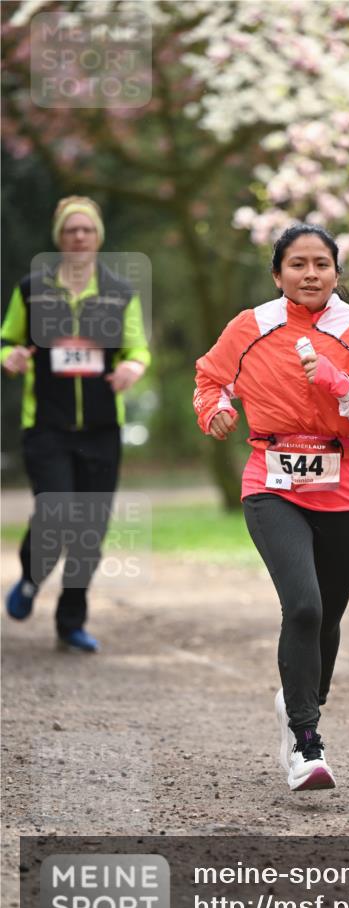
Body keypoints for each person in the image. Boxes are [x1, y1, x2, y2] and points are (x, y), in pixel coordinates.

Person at [194, 223, 349, 791]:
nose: (309, 273)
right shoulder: (251, 326)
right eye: (297, 264)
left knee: (328, 620)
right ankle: (306, 744)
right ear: (277, 274)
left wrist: (340, 385)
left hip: (347, 486)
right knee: (306, 607)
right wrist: (214, 410)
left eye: (321, 263)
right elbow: (211, 379)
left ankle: (299, 703)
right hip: (272, 484)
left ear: (337, 272)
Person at [1, 196, 151, 652]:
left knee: (89, 530)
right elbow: (6, 340)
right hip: (46, 423)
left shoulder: (119, 292)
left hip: (103, 428)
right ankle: (30, 576)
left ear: (99, 237)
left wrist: (133, 370)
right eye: (71, 230)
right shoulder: (31, 289)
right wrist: (12, 357)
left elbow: (138, 350)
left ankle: (71, 622)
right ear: (60, 238)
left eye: (87, 230)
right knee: (56, 510)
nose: (80, 237)